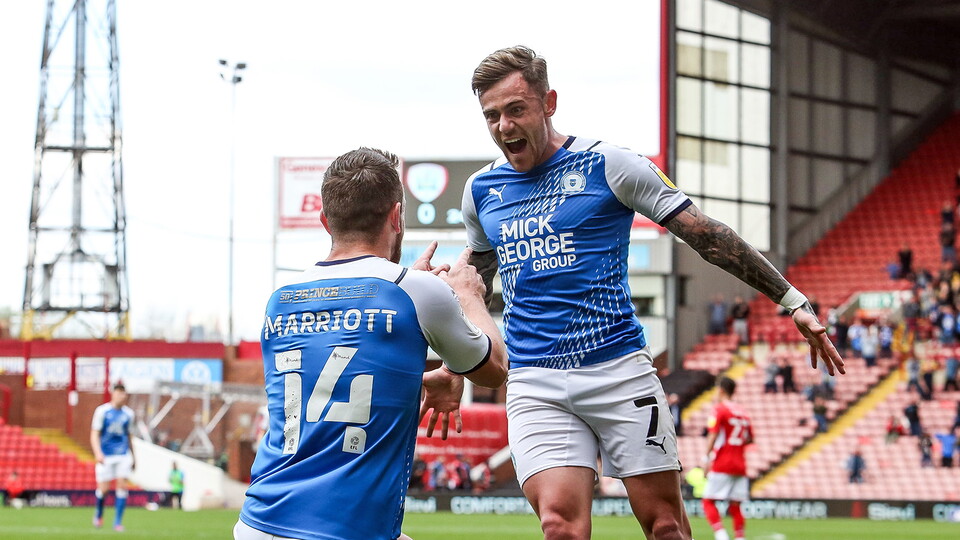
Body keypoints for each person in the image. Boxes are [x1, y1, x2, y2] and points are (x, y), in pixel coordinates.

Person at [435, 45, 844, 540]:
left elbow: (707, 235)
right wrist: (458, 363)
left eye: (515, 109)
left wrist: (792, 300)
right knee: (559, 526)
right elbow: (472, 284)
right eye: (492, 116)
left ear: (549, 102)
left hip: (618, 373)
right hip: (535, 380)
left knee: (666, 526)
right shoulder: (481, 191)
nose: (503, 127)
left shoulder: (610, 164)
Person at [234, 148, 508, 540]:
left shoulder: (282, 299)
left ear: (325, 222)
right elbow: (495, 368)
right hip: (344, 530)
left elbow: (337, 370)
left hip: (259, 522)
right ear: (396, 215)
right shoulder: (415, 292)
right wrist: (469, 296)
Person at [702, 377, 753, 540]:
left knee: (708, 501)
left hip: (723, 462)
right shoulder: (743, 412)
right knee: (736, 504)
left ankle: (721, 534)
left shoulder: (719, 409)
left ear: (722, 390)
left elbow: (713, 435)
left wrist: (705, 459)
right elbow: (750, 438)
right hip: (740, 464)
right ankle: (739, 537)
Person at [90, 382, 136, 532]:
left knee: (122, 486)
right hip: (106, 455)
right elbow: (95, 434)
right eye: (119, 393)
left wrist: (134, 456)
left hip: (123, 454)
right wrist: (98, 453)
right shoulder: (102, 411)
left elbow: (129, 436)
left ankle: (117, 522)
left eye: (124, 393)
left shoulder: (129, 414)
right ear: (113, 394)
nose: (122, 396)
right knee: (103, 489)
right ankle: (99, 514)